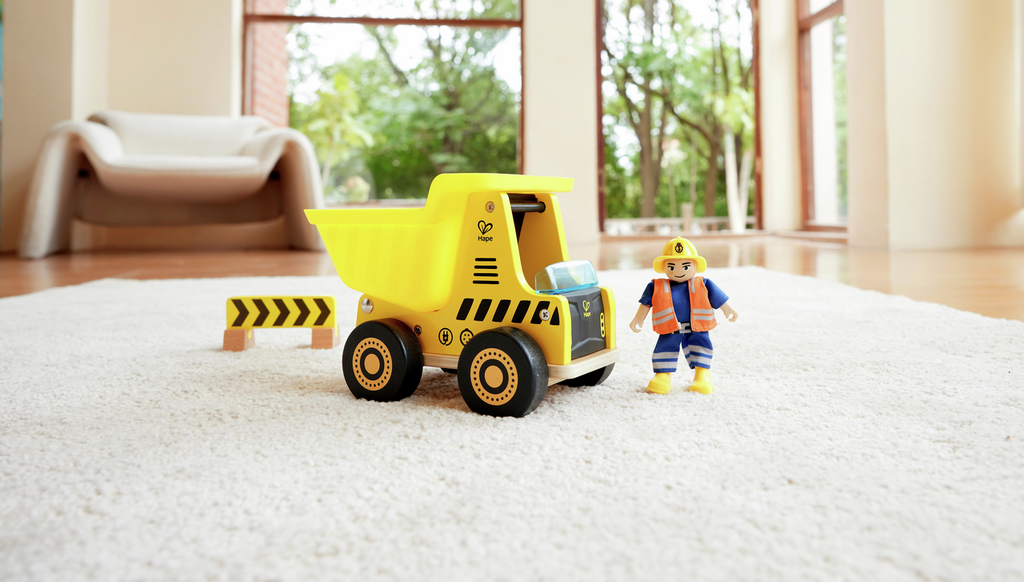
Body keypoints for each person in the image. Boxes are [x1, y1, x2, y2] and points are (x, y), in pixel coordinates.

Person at [629, 237, 738, 394]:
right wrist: (638, 319)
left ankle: (702, 374)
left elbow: (718, 299)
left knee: (701, 346)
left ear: (695, 265)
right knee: (665, 349)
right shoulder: (655, 286)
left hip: (697, 327)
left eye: (685, 266)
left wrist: (728, 310)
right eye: (671, 267)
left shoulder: (704, 284)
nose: (678, 272)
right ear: (664, 266)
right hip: (670, 328)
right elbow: (645, 304)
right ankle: (662, 375)